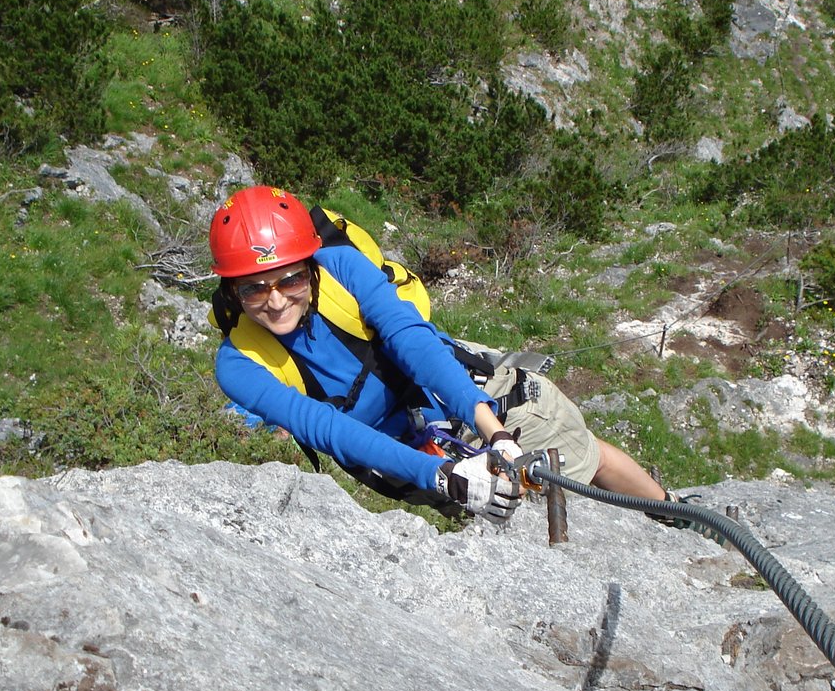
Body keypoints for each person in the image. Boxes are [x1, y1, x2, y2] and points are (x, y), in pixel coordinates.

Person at [209, 184, 673, 523]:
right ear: (231, 292)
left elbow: (410, 338)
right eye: (253, 288)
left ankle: (671, 512)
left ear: (310, 267)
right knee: (523, 521)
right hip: (420, 459)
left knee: (584, 459)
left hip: (464, 392)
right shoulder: (238, 365)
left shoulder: (341, 268)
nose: (275, 300)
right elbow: (327, 429)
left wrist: (493, 429)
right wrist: (443, 476)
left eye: (290, 279)